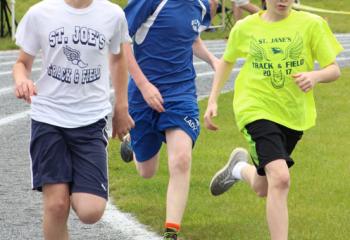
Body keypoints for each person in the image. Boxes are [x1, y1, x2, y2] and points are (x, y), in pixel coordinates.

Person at [204, 0, 343, 239]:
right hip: (255, 108)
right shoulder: (245, 27)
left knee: (264, 187)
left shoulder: (312, 24)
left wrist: (315, 76)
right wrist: (213, 99)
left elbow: (334, 69)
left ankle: (237, 169)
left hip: (293, 114)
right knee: (280, 177)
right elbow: (227, 60)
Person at [12, 0, 134, 239]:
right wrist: (21, 81)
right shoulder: (40, 13)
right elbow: (21, 64)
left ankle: (67, 183)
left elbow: (118, 58)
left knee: (91, 211)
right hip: (49, 117)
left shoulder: (112, 14)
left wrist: (121, 107)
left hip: (90, 119)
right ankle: (58, 189)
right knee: (56, 205)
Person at [122, 0, 219, 239]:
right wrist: (144, 86)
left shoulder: (203, 5)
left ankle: (171, 232)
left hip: (181, 92)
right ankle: (132, 142)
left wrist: (213, 60)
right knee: (147, 171)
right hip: (143, 92)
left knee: (181, 159)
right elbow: (119, 41)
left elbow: (192, 37)